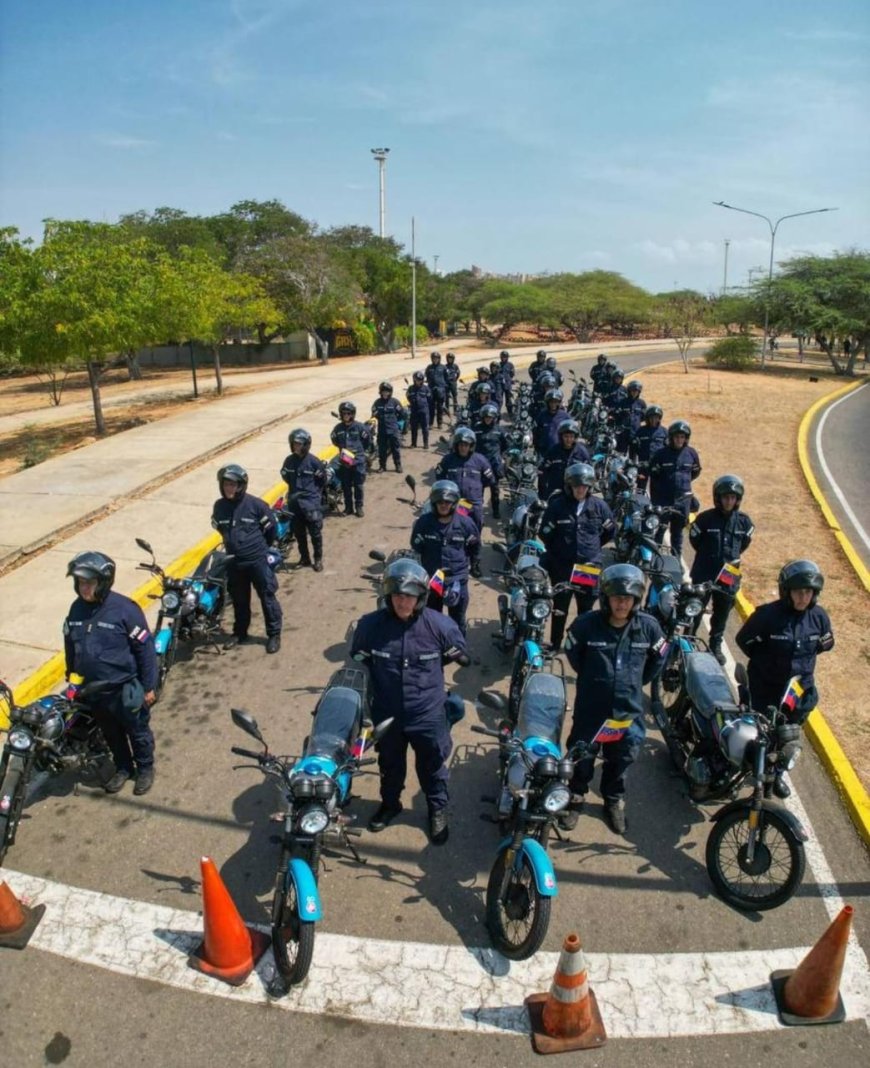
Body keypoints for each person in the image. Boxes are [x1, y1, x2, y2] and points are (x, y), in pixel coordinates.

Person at [350, 558, 469, 844]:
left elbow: (461, 655)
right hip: (386, 713)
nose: (403, 602)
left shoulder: (441, 626)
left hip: (427, 713)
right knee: (389, 764)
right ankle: (390, 804)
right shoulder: (369, 626)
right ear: (388, 596)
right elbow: (359, 659)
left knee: (433, 766)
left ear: (420, 597)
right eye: (397, 595)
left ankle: (437, 809)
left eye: (409, 596)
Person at [562, 564, 665, 835]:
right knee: (582, 753)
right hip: (591, 709)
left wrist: (634, 683)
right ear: (605, 598)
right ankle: (576, 795)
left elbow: (658, 660)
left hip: (627, 712)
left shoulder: (650, 628)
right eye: (617, 597)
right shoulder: (585, 626)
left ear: (636, 600)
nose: (622, 604)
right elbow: (574, 654)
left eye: (628, 598)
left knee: (622, 757)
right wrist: (595, 680)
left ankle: (613, 799)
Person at [735, 560, 834, 796]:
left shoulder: (819, 617)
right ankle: (752, 771)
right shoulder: (767, 615)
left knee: (787, 739)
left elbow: (825, 643)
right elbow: (744, 641)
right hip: (766, 688)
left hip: (799, 693)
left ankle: (775, 776)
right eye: (798, 592)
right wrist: (768, 663)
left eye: (808, 592)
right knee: (761, 736)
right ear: (786, 592)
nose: (803, 597)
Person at [64, 551, 159, 795]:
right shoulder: (75, 611)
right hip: (95, 692)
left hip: (125, 688)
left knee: (138, 733)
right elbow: (71, 650)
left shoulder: (125, 610)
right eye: (80, 583)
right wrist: (73, 684)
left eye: (89, 583)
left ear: (104, 582)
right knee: (112, 735)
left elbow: (145, 649)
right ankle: (123, 768)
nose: (84, 588)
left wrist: (149, 686)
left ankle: (145, 769)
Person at [540, 463, 615, 652]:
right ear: (569, 485)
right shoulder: (557, 506)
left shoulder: (599, 507)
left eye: (584, 486)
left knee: (585, 609)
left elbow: (609, 531)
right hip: (562, 567)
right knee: (560, 607)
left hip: (587, 568)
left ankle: (582, 645)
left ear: (590, 487)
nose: (580, 489)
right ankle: (555, 644)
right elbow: (545, 533)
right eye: (576, 486)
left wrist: (591, 548)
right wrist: (560, 552)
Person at [213, 464, 283, 651]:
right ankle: (240, 633)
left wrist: (259, 549)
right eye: (225, 484)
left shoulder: (256, 506)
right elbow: (220, 528)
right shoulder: (219, 506)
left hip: (257, 561)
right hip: (234, 563)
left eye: (232, 484)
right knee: (239, 600)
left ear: (241, 486)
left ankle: (274, 634)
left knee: (267, 597)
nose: (229, 488)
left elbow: (271, 531)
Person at [689, 474, 755, 664]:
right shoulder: (704, 519)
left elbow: (743, 544)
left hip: (729, 577)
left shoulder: (745, 522)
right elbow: (695, 540)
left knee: (722, 613)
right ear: (718, 498)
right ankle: (689, 639)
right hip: (704, 572)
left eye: (732, 497)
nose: (729, 501)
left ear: (737, 500)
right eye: (725, 497)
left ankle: (715, 644)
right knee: (695, 609)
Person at [411, 480, 479, 634]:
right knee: (432, 618)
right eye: (440, 502)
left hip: (457, 579)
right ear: (434, 503)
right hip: (434, 578)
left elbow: (474, 547)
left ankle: (458, 648)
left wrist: (466, 564)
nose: (443, 505)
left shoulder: (466, 524)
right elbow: (416, 546)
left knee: (458, 619)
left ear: (454, 503)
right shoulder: (424, 523)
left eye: (448, 502)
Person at [434, 427, 494, 575]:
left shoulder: (480, 460)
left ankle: (475, 563)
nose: (463, 447)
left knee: (475, 535)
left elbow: (489, 479)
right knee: (453, 533)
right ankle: (454, 562)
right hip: (454, 504)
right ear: (456, 445)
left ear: (471, 445)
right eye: (461, 444)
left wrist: (475, 491)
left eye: (466, 445)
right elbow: (439, 477)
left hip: (474, 505)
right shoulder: (448, 459)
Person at [649, 420, 702, 558]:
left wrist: (683, 487)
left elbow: (695, 472)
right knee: (660, 531)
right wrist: (656, 501)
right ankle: (655, 559)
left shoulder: (691, 454)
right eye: (677, 437)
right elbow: (654, 476)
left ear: (686, 438)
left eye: (682, 437)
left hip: (682, 502)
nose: (679, 440)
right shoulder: (661, 454)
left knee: (677, 534)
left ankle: (676, 561)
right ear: (671, 437)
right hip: (663, 499)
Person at [280, 430, 326, 573]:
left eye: (299, 444)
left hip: (310, 503)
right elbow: (286, 477)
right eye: (294, 444)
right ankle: (304, 558)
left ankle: (317, 559)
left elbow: (322, 480)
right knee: (299, 534)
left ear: (306, 445)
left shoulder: (314, 462)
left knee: (315, 533)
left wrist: (313, 496)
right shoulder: (289, 461)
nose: (296, 446)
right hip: (295, 503)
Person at [330, 401, 372, 518]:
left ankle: (359, 506)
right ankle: (348, 507)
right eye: (344, 414)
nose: (346, 416)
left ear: (352, 414)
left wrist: (358, 453)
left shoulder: (359, 427)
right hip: (345, 462)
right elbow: (335, 441)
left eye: (348, 413)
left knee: (358, 485)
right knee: (346, 486)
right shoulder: (338, 429)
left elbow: (367, 441)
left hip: (358, 461)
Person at [537, 418, 591, 500]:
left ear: (575, 437)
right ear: (561, 437)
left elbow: (589, 475)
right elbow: (542, 471)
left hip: (575, 493)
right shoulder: (553, 451)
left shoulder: (582, 453)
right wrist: (544, 494)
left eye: (571, 437)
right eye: (566, 436)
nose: (569, 440)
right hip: (555, 492)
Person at [472, 402, 508, 519]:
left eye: (490, 417)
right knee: (478, 489)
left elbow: (506, 445)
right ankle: (478, 511)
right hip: (479, 464)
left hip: (494, 464)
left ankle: (496, 510)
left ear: (494, 418)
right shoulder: (476, 429)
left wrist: (500, 456)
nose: (488, 419)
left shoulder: (499, 430)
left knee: (495, 489)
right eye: (486, 417)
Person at [629, 404, 667, 491]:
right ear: (647, 418)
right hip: (643, 465)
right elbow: (633, 447)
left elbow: (669, 450)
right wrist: (633, 462)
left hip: (658, 466)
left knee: (657, 489)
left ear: (659, 418)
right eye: (651, 417)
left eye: (656, 417)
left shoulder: (664, 432)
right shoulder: (641, 431)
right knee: (640, 489)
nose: (654, 420)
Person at [371, 381, 406, 473]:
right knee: (382, 450)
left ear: (390, 392)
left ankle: (398, 465)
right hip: (382, 431)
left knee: (396, 449)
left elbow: (402, 414)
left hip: (393, 430)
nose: (385, 393)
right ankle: (382, 466)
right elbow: (373, 415)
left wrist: (397, 423)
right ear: (380, 392)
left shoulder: (395, 402)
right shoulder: (377, 403)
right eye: (383, 391)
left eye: (387, 391)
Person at [614, 379, 647, 452]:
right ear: (629, 391)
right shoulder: (622, 402)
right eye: (633, 390)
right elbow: (616, 416)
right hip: (623, 433)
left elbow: (644, 417)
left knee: (634, 454)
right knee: (620, 453)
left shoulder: (641, 403)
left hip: (635, 432)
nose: (634, 393)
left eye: (636, 391)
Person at [533, 388, 569, 453]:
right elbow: (536, 432)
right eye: (551, 402)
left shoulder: (565, 416)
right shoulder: (542, 415)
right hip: (543, 450)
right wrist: (536, 447)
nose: (553, 405)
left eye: (556, 402)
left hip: (560, 451)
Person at [406, 370, 432, 448]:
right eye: (417, 380)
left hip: (424, 410)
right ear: (414, 380)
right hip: (414, 410)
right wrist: (412, 402)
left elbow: (429, 398)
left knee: (425, 428)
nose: (419, 381)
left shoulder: (426, 389)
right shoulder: (411, 388)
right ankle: (414, 443)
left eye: (420, 380)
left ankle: (425, 443)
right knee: (414, 428)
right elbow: (408, 396)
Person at [425, 351, 448, 428]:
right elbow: (426, 377)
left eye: (437, 358)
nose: (435, 360)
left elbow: (446, 377)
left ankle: (439, 423)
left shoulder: (443, 367)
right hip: (431, 389)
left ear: (439, 359)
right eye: (434, 358)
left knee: (440, 407)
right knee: (431, 407)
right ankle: (430, 423)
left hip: (440, 389)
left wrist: (444, 387)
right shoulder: (429, 368)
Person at [498, 349, 516, 416]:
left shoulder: (510, 365)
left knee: (509, 400)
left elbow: (512, 373)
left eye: (505, 357)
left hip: (508, 385)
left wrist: (508, 379)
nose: (504, 358)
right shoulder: (498, 365)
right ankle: (498, 412)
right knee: (499, 399)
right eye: (502, 357)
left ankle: (510, 412)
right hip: (500, 385)